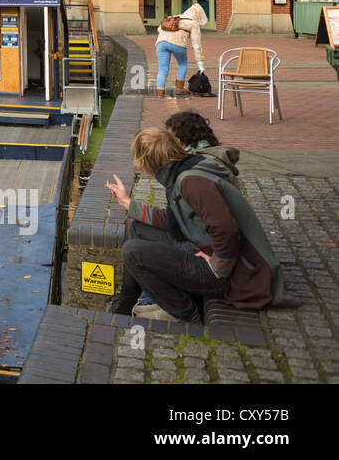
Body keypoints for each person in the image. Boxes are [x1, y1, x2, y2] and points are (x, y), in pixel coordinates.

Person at [103, 127, 289, 322]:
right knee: (134, 226)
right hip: (203, 251)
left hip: (232, 276)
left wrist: (219, 266)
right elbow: (177, 219)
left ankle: (185, 313)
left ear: (149, 162)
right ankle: (127, 299)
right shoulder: (185, 170)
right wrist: (128, 203)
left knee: (133, 251)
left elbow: (226, 229)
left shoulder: (191, 182)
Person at [164, 111, 245, 193]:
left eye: (171, 139)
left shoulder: (202, 164)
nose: (168, 144)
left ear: (184, 137)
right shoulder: (207, 154)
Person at [154, 2, 207, 97]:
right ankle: (179, 89)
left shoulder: (174, 17)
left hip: (161, 43)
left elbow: (159, 29)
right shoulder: (193, 23)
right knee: (182, 64)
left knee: (162, 69)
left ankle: (159, 92)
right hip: (177, 43)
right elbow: (196, 44)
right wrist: (200, 62)